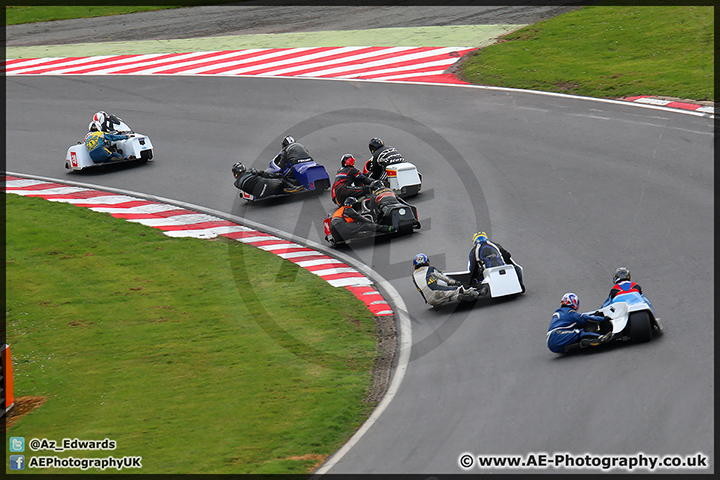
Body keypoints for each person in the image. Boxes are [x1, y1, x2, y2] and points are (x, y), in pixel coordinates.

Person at [546, 292, 613, 353]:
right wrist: (603, 319)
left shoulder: (559, 312)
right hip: (558, 335)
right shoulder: (570, 313)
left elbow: (576, 323)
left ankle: (579, 344)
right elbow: (585, 318)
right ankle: (600, 338)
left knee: (575, 330)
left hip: (551, 343)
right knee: (579, 332)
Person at [412, 253, 482, 307]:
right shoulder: (430, 269)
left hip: (429, 300)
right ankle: (478, 292)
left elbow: (419, 289)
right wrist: (455, 282)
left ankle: (458, 297)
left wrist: (426, 300)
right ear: (426, 261)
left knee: (448, 297)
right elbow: (443, 278)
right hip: (436, 291)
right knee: (458, 289)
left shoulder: (414, 275)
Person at [232, 162, 296, 198]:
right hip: (264, 184)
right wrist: (276, 175)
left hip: (259, 195)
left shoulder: (236, 184)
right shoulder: (250, 170)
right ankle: (293, 187)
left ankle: (279, 190)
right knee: (281, 180)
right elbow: (264, 174)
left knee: (274, 187)